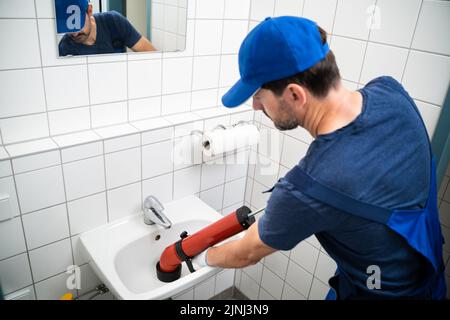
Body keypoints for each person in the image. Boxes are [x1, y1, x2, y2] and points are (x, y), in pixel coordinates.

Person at [192, 16, 447, 300]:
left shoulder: (311, 186)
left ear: (294, 95)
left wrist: (201, 258)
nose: (254, 106)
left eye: (259, 95)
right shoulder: (391, 92)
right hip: (429, 281)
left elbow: (246, 253)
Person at [56, 0, 157, 56]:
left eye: (79, 25)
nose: (74, 34)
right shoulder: (65, 47)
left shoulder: (114, 22)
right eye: (68, 29)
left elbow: (151, 54)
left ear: (89, 10)